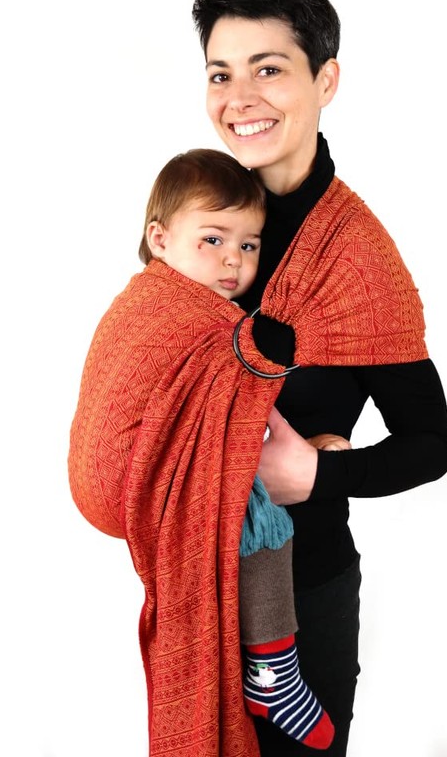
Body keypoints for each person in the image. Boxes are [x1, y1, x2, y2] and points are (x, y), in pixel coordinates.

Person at [191, 0, 447, 756]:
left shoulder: (357, 260)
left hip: (302, 604)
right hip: (197, 586)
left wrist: (319, 474)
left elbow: (430, 445)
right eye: (221, 74)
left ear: (326, 80)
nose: (240, 98)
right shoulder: (203, 220)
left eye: (268, 68)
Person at [69, 148, 350, 755]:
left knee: (247, 480)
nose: (232, 260)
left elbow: (217, 412)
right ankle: (272, 671)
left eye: (249, 245)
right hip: (134, 474)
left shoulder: (164, 304)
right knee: (264, 520)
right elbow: (213, 398)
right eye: (214, 239)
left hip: (138, 471)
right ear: (160, 239)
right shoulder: (171, 311)